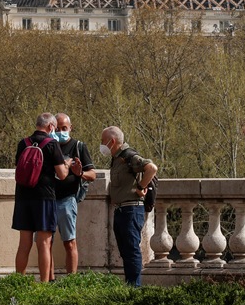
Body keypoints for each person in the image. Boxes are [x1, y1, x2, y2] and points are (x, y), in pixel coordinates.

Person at [14, 112, 70, 282]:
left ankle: (18, 282)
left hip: (23, 197)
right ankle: (44, 286)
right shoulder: (52, 144)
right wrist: (66, 164)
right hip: (44, 197)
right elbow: (61, 175)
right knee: (44, 244)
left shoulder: (23, 143)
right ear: (51, 127)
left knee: (24, 244)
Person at [101, 125, 157, 287]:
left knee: (131, 250)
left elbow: (151, 168)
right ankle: (130, 284)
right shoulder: (117, 158)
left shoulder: (128, 156)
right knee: (125, 251)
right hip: (121, 209)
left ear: (112, 141)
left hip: (131, 209)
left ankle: (134, 287)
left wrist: (140, 187)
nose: (102, 145)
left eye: (103, 141)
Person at [52, 112, 96, 274]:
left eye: (64, 128)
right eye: (57, 128)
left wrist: (79, 174)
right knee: (46, 243)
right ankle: (48, 282)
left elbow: (92, 174)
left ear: (71, 128)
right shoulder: (49, 145)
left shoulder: (79, 147)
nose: (60, 132)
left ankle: (71, 281)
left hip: (67, 200)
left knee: (69, 242)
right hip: (47, 199)